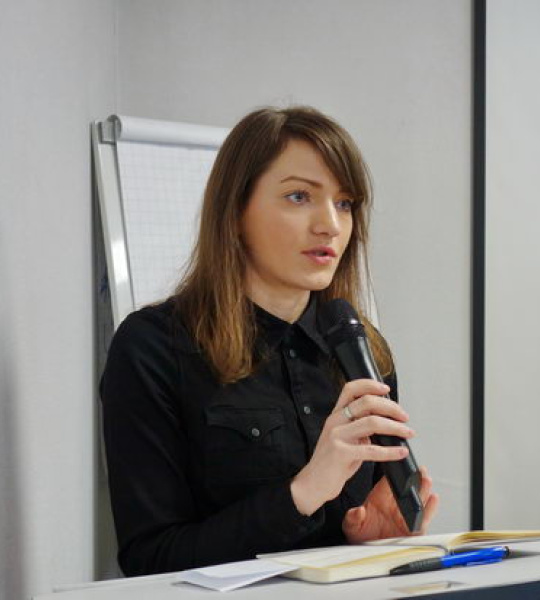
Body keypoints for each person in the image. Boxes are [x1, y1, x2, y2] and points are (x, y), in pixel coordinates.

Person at [100, 105, 439, 576]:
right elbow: (150, 560)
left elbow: (349, 543)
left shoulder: (364, 350)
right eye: (299, 196)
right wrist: (302, 494)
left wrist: (366, 541)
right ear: (236, 211)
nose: (330, 224)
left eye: (345, 203)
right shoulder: (152, 348)